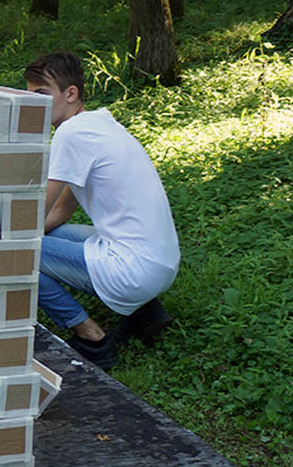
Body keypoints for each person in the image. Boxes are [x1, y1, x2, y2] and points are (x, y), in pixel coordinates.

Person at [25, 51, 180, 369]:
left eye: (41, 95)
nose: (32, 105)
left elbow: (37, 208)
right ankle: (145, 313)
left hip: (134, 271)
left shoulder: (71, 134)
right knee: (58, 233)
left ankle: (92, 339)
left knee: (14, 254)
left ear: (71, 94)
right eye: (28, 96)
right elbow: (60, 214)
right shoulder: (98, 123)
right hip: (160, 263)